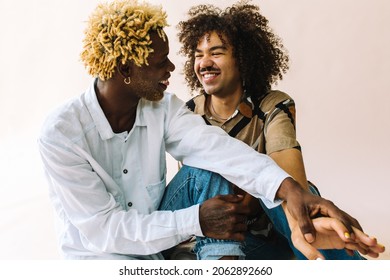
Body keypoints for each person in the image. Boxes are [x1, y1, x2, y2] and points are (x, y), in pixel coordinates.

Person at [38, 0, 383, 260]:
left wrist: (290, 190)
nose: (174, 67)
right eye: (161, 62)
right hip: (103, 261)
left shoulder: (166, 108)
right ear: (127, 68)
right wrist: (197, 220)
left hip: (198, 240)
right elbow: (105, 231)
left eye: (216, 52)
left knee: (228, 176)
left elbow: (218, 149)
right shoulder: (62, 135)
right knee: (209, 179)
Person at [170, 0, 385, 260]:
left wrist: (287, 201)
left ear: (242, 59)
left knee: (287, 188)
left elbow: (285, 161)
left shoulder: (271, 105)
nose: (204, 63)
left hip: (277, 233)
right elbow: (199, 187)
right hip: (231, 238)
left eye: (216, 53)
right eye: (198, 54)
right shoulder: (187, 113)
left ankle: (319, 245)